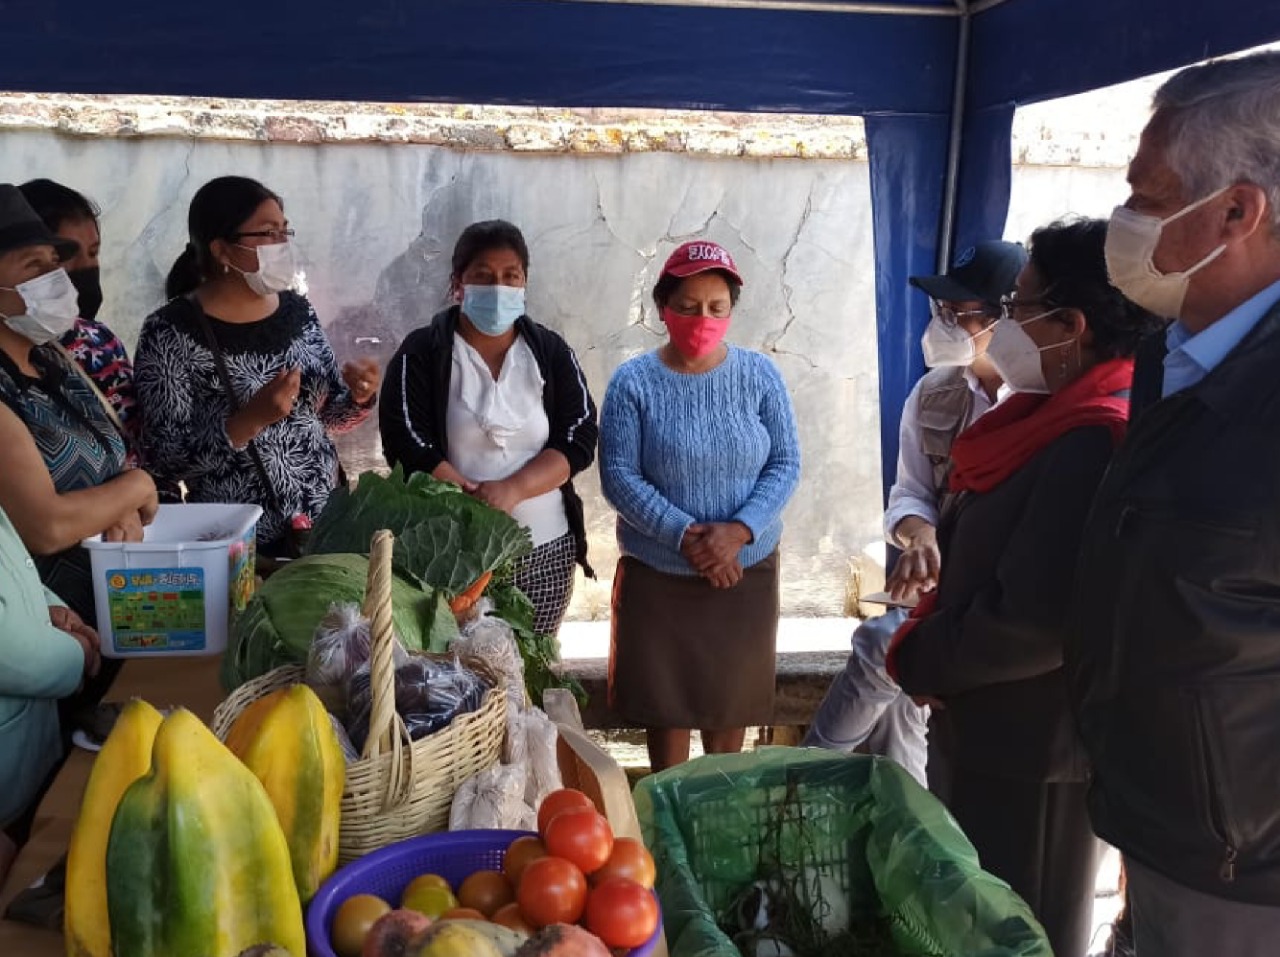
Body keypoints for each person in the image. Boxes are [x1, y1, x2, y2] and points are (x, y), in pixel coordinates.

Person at [886, 219, 1162, 957]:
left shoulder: (1093, 438)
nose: (1005, 325)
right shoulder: (1044, 418)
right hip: (991, 730)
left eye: (1021, 307)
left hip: (1036, 749)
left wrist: (920, 657)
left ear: (1071, 327)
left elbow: (1034, 618)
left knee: (1024, 927)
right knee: (978, 923)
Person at [1067, 52, 1280, 957]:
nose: (1127, 221)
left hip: (1249, 872)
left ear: (1236, 211)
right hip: (1158, 828)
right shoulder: (1176, 353)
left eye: (1148, 197)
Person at [804, 240, 1024, 787]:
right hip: (935, 592)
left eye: (959, 313)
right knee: (902, 713)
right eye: (941, 311)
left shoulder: (1039, 405)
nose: (943, 323)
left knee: (882, 645)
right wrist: (920, 535)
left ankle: (801, 777)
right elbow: (908, 495)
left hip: (999, 594)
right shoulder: (933, 394)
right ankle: (913, 824)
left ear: (1009, 318)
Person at [599, 240, 801, 772]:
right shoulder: (633, 383)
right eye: (687, 306)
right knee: (666, 711)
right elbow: (620, 476)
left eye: (716, 307)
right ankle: (667, 825)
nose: (702, 319)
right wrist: (689, 536)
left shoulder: (760, 377)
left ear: (732, 309)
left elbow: (785, 464)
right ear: (663, 307)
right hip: (660, 573)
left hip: (743, 571)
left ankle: (719, 815)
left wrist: (738, 532)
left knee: (729, 704)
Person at [134, 176, 380, 558]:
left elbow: (327, 420)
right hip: (239, 542)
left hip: (327, 525)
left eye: (285, 231)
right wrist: (248, 421)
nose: (283, 245)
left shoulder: (298, 312)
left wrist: (361, 396)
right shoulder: (170, 332)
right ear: (222, 250)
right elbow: (167, 461)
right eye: (268, 233)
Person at [379, 220, 598, 635]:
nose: (498, 287)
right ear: (457, 284)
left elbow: (580, 435)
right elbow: (406, 441)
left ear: (524, 283)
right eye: (483, 275)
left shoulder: (549, 351)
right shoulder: (423, 352)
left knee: (529, 672)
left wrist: (513, 489)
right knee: (451, 677)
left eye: (510, 276)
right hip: (451, 555)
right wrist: (471, 503)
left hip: (545, 552)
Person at [0, 184, 158, 624]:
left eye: (55, 263)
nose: (57, 279)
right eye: (34, 266)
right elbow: (45, 526)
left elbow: (103, 466)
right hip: (48, 633)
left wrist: (118, 503)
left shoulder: (54, 360)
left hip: (115, 612)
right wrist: (136, 487)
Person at [0, 500, 101, 881]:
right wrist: (76, 655)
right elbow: (7, 646)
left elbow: (16, 562)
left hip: (32, 762)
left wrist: (54, 610)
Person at [18, 179, 138, 440]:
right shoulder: (14, 359)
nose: (86, 267)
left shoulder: (100, 340)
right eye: (66, 255)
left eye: (94, 253)